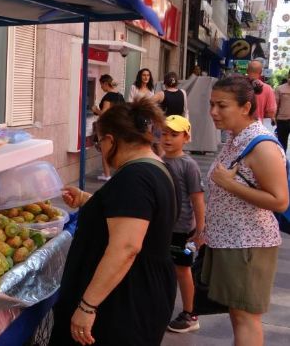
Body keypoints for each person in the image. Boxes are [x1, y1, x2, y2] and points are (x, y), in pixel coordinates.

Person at [50, 98, 177, 345]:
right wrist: (90, 201)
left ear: (110, 139)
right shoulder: (157, 168)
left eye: (98, 143)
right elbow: (135, 216)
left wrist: (87, 306)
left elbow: (126, 247)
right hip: (143, 290)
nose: (101, 150)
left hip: (123, 300)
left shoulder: (135, 177)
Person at [205, 75, 288, 345]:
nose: (214, 112)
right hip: (229, 240)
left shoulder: (262, 145)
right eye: (211, 104)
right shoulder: (236, 138)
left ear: (246, 107)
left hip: (248, 243)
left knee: (246, 318)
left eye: (222, 105)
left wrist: (230, 184)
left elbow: (280, 201)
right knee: (237, 314)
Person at [160, 115, 206, 333]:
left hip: (180, 229)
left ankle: (190, 314)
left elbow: (197, 198)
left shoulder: (189, 165)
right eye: (165, 133)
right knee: (162, 267)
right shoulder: (159, 160)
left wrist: (200, 230)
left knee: (182, 270)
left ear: (186, 137)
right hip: (161, 227)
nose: (167, 138)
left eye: (174, 134)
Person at [91, 74, 125, 181]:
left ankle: (107, 175)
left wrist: (95, 110)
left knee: (105, 151)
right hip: (118, 127)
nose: (101, 87)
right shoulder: (120, 96)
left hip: (108, 127)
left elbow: (105, 113)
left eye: (101, 85)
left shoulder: (108, 96)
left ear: (106, 84)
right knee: (116, 151)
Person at [246, 60, 277, 124]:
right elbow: (271, 112)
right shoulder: (268, 89)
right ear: (260, 72)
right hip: (256, 127)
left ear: (247, 70)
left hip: (236, 128)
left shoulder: (237, 86)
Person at [275, 76, 290, 151]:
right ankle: (282, 161)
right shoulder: (280, 89)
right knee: (282, 144)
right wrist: (274, 118)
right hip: (283, 120)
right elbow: (275, 105)